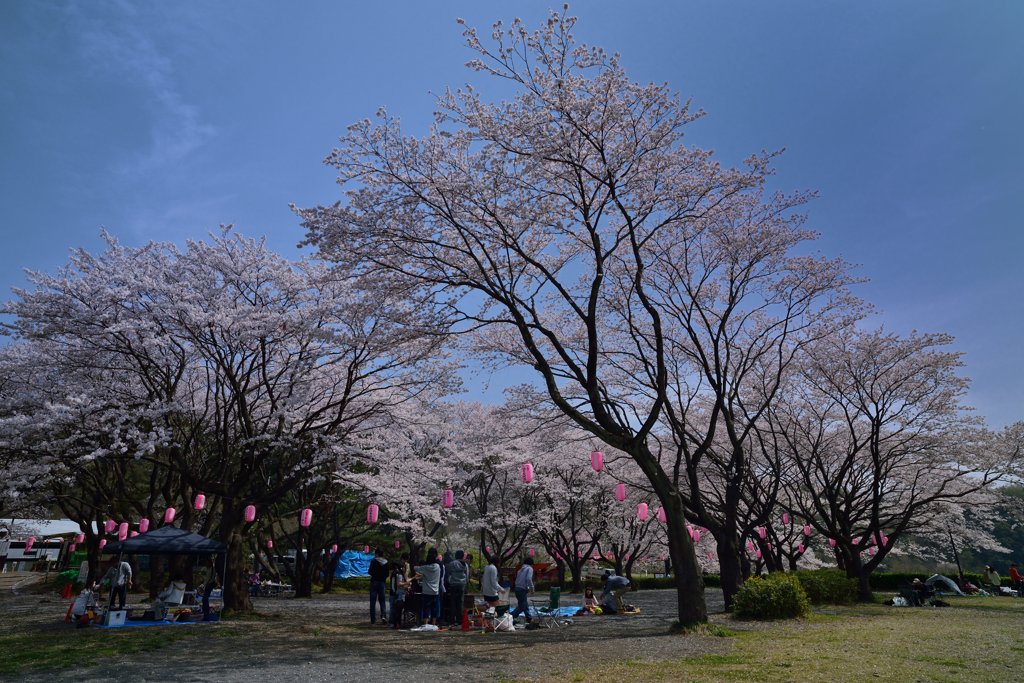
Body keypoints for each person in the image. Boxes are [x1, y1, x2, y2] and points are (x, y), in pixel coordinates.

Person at [415, 549, 442, 626]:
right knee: (434, 609)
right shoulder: (438, 567)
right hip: (435, 591)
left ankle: (426, 624)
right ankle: (433, 624)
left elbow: (416, 568)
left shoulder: (425, 568)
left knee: (426, 608)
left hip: (426, 591)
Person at [446, 550, 470, 626]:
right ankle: (460, 619)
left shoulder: (452, 563)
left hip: (453, 584)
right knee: (460, 602)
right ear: (462, 556)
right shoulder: (465, 564)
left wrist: (450, 580)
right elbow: (467, 575)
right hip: (461, 584)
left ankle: (452, 619)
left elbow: (448, 573)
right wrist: (465, 582)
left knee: (453, 602)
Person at [509, 557, 535, 623]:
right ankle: (510, 617)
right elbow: (528, 579)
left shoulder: (520, 570)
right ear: (531, 564)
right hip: (522, 589)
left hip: (517, 588)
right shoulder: (529, 569)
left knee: (524, 604)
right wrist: (532, 588)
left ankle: (529, 618)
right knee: (522, 606)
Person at [368, 548, 390, 624]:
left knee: (372, 602)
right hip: (382, 583)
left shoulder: (374, 561)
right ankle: (383, 616)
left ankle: (373, 620)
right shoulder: (386, 562)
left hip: (374, 582)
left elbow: (369, 571)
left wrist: (375, 575)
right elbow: (387, 573)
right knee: (382, 601)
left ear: (377, 554)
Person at [389, 560, 409, 629]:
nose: (404, 569)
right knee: (398, 610)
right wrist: (407, 584)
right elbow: (399, 584)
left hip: (394, 593)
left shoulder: (394, 573)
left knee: (395, 610)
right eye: (403, 567)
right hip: (397, 594)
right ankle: (396, 624)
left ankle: (394, 623)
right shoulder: (399, 574)